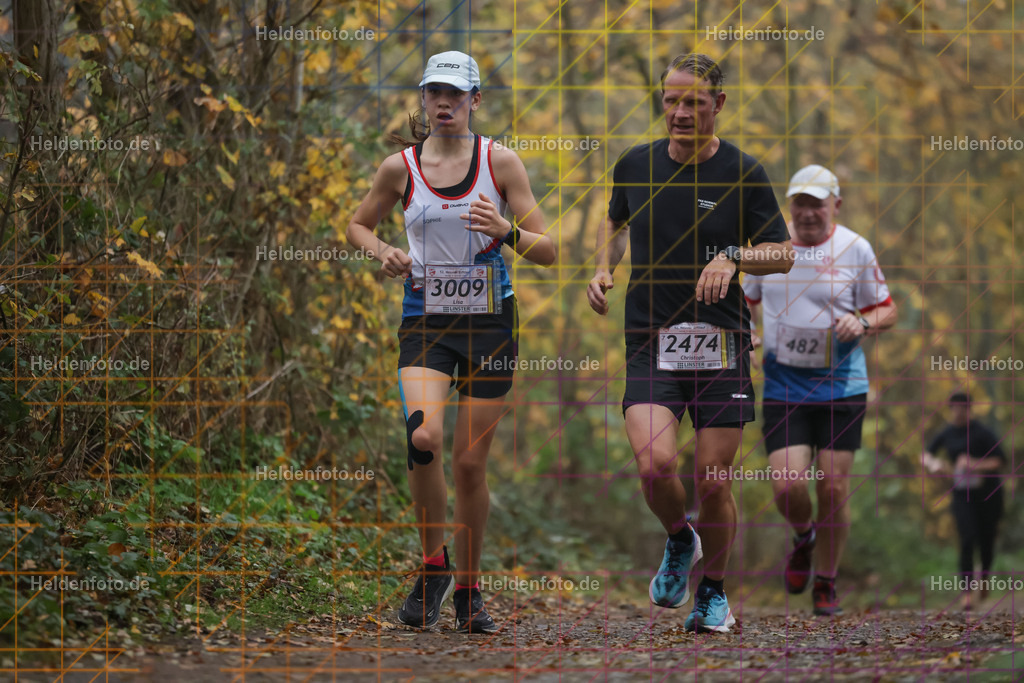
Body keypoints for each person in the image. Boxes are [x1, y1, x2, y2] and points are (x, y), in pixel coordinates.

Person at [346, 51, 555, 633]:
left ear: (475, 101)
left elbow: (549, 248)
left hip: (491, 325)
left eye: (456, 95)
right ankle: (432, 564)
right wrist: (382, 250)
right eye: (435, 93)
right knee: (424, 435)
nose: (444, 103)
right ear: (423, 98)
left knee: (468, 464)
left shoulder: (500, 162)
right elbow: (358, 224)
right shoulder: (399, 168)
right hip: (426, 322)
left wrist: (506, 231)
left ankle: (468, 590)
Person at [587, 53, 793, 633]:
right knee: (654, 465)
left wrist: (734, 257)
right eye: (671, 100)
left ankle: (714, 595)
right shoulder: (635, 164)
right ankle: (681, 539)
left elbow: (781, 253)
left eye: (694, 102)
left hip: (722, 345)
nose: (680, 112)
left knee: (713, 479)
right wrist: (603, 268)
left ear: (718, 105)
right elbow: (617, 224)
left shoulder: (743, 172)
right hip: (650, 340)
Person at [743, 164, 898, 616]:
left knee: (832, 487)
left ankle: (826, 580)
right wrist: (747, 333)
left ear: (835, 204)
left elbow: (887, 310)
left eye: (816, 203)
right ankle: (803, 536)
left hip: (842, 386)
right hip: (783, 385)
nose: (808, 213)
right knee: (788, 485)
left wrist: (864, 322)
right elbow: (744, 301)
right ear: (789, 206)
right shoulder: (769, 249)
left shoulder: (855, 248)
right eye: (800, 203)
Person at [921, 392, 1006, 611]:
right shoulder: (947, 433)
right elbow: (925, 454)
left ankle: (984, 576)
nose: (959, 412)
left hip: (989, 494)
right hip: (962, 494)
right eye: (955, 407)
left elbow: (1000, 460)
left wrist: (975, 464)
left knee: (986, 539)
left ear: (969, 409)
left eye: (963, 407)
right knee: (967, 538)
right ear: (950, 409)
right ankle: (967, 593)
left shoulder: (982, 432)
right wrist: (933, 464)